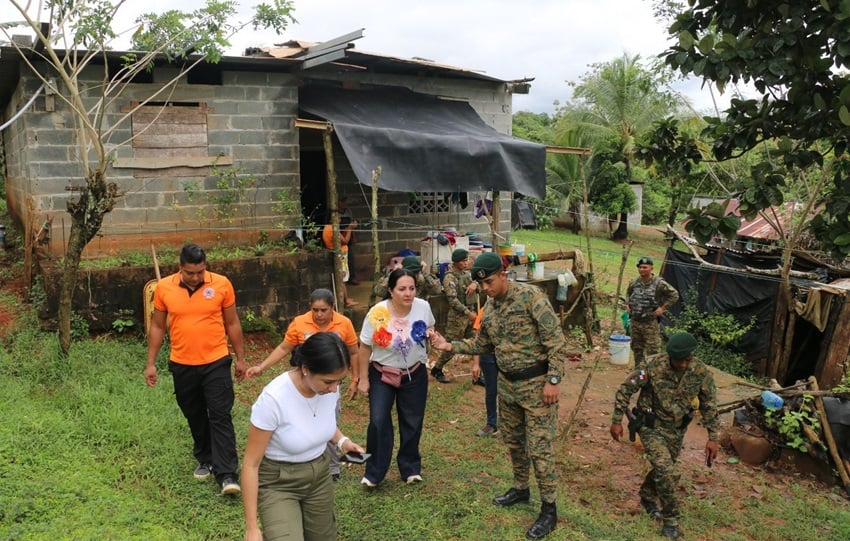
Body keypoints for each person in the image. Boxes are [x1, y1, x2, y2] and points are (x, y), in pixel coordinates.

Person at [429, 252, 567, 540]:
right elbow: (482, 343)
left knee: (540, 449)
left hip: (537, 386)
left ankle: (549, 509)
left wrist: (553, 380)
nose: (485, 289)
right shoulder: (489, 308)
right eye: (481, 285)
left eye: (489, 282)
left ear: (503, 274)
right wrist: (449, 345)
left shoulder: (532, 298)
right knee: (514, 442)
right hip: (507, 386)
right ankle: (520, 488)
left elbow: (556, 342)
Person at [242, 332, 365, 541]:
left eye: (339, 381)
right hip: (279, 483)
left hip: (319, 477)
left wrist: (343, 441)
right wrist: (252, 528)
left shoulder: (329, 389)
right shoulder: (274, 399)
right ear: (306, 369)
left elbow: (321, 422)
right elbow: (250, 465)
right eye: (328, 382)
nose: (335, 389)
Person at [144, 243, 245, 496]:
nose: (197, 277)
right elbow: (157, 327)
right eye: (191, 273)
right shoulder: (164, 288)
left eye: (201, 271)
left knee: (220, 414)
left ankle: (227, 474)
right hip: (182, 363)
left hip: (216, 361)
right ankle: (205, 457)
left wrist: (241, 359)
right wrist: (151, 363)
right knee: (194, 413)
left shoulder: (221, 284)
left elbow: (232, 323)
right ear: (180, 268)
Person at [609, 332, 719, 540]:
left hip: (677, 430)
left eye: (688, 359)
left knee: (663, 467)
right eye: (680, 360)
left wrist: (713, 437)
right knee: (666, 470)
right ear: (670, 357)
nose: (684, 364)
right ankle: (671, 520)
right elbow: (625, 390)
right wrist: (616, 420)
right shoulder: (651, 366)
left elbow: (709, 405)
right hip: (651, 427)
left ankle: (647, 495)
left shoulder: (700, 372)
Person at [245, 288, 361, 481]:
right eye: (315, 310)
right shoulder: (299, 323)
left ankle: (331, 467)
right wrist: (261, 367)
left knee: (329, 422)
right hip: (306, 386)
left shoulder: (344, 324)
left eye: (324, 310)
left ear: (333, 308)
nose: (319, 314)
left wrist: (356, 379)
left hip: (326, 386)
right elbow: (284, 347)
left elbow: (354, 352)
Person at [359, 268, 436, 487]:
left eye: (411, 288)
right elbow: (364, 347)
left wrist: (431, 334)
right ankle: (374, 473)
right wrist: (363, 379)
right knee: (378, 421)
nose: (408, 293)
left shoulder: (423, 307)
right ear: (391, 290)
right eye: (402, 289)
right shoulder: (377, 312)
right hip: (382, 374)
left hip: (414, 374)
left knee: (412, 421)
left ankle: (410, 467)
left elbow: (430, 325)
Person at [431, 248, 478, 384]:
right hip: (458, 318)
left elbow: (479, 282)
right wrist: (467, 313)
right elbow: (452, 300)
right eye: (463, 260)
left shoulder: (467, 275)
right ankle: (437, 369)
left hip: (471, 315)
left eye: (466, 260)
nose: (466, 263)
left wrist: (475, 284)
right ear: (456, 262)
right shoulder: (450, 277)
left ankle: (477, 372)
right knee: (451, 346)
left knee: (476, 343)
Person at [626, 256, 680, 369]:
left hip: (650, 323)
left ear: (651, 268)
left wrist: (662, 308)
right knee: (637, 349)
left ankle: (652, 374)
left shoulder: (659, 283)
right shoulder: (634, 282)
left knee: (653, 351)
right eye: (640, 267)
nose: (642, 270)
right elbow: (628, 294)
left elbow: (674, 295)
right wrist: (628, 305)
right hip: (635, 321)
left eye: (645, 267)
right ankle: (639, 373)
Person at [471, 307, 498, 437]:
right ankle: (492, 423)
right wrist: (476, 363)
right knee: (491, 391)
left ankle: (510, 425)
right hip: (488, 356)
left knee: (509, 391)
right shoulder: (485, 310)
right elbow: (477, 339)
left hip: (508, 356)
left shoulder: (514, 306)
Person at [371, 255, 442, 303]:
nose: (413, 276)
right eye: (410, 272)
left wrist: (426, 273)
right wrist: (392, 274)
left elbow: (437, 290)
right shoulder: (397, 280)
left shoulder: (422, 280)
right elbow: (379, 292)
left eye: (416, 273)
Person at [323, 215, 359, 307]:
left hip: (339, 253)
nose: (340, 220)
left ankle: (345, 298)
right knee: (343, 278)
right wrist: (350, 228)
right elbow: (345, 240)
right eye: (338, 218)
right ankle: (346, 301)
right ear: (332, 219)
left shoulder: (326, 227)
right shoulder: (333, 229)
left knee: (342, 278)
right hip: (341, 255)